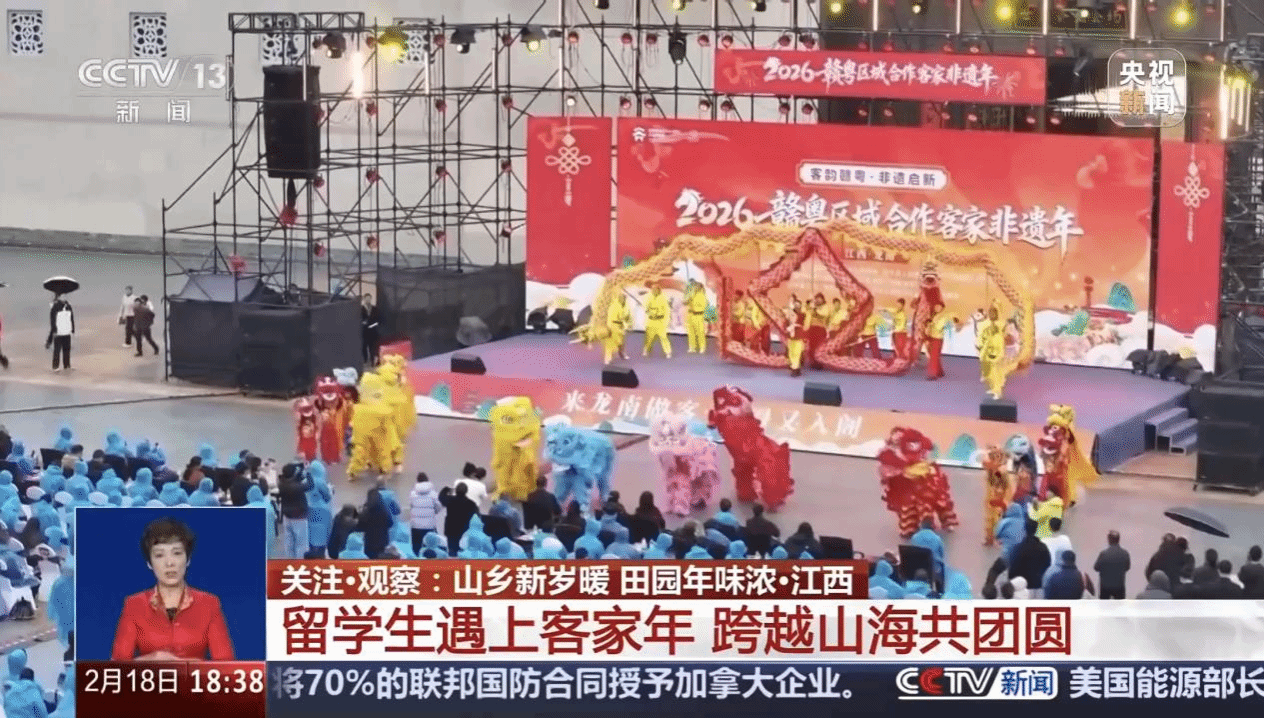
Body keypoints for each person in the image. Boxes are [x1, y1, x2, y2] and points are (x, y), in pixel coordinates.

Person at [111, 517, 234, 660]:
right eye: (159, 555)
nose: (169, 563)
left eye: (177, 553)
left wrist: (183, 664)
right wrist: (152, 659)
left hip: (195, 676)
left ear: (188, 559)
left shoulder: (209, 603)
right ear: (149, 563)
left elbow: (226, 665)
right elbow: (117, 665)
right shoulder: (134, 605)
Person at [277, 464, 314, 559]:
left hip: (287, 516)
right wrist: (308, 473)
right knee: (301, 543)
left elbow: (294, 479)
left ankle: (289, 561)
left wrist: (299, 473)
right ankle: (299, 562)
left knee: (289, 542)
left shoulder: (281, 482)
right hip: (299, 517)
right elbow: (310, 485)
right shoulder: (295, 487)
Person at [438, 482, 479, 554]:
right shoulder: (471, 503)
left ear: (456, 491)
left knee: (452, 550)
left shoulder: (450, 500)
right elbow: (477, 516)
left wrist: (446, 489)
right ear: (466, 491)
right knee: (463, 550)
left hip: (451, 529)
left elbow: (441, 497)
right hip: (464, 530)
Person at [409, 473, 442, 554]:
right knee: (430, 548)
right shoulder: (433, 494)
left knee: (416, 548)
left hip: (416, 525)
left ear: (417, 481)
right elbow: (438, 506)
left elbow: (411, 506)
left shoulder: (413, 494)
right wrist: (433, 512)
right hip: (429, 525)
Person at [1093, 530, 1131, 599]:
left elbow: (1096, 568)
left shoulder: (1103, 554)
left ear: (1109, 539)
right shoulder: (1125, 553)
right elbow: (1127, 568)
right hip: (1119, 587)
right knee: (1119, 605)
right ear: (1118, 539)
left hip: (1105, 588)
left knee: (1104, 605)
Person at [642, 282, 672, 358]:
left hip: (660, 321)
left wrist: (666, 321)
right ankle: (646, 350)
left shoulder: (664, 298)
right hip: (651, 321)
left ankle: (668, 352)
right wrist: (648, 311)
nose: (654, 290)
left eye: (655, 289)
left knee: (663, 337)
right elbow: (645, 307)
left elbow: (667, 311)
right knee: (649, 338)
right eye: (652, 289)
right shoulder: (648, 297)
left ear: (659, 290)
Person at [46, 294, 74, 372]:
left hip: (67, 331)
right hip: (58, 333)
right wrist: (52, 334)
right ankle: (55, 367)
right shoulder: (55, 307)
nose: (64, 297)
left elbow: (71, 319)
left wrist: (72, 330)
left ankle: (67, 366)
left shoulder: (68, 306)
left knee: (66, 350)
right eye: (62, 296)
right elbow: (52, 322)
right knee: (57, 351)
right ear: (58, 297)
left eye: (65, 295)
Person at [924, 303, 953, 379]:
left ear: (942, 308)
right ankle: (939, 372)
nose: (936, 308)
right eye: (936, 306)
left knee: (933, 356)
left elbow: (938, 327)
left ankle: (932, 374)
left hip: (937, 338)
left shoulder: (944, 317)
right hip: (931, 337)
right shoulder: (934, 315)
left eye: (938, 307)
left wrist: (931, 324)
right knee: (935, 355)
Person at [603, 291, 631, 363]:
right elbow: (609, 318)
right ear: (618, 297)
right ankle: (607, 358)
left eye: (624, 297)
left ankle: (622, 354)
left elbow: (628, 316)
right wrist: (608, 327)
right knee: (610, 342)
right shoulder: (614, 306)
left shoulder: (627, 306)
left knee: (621, 342)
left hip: (621, 326)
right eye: (621, 297)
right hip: (613, 325)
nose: (623, 298)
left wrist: (629, 324)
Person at [684, 280, 709, 354]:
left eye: (697, 286)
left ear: (700, 287)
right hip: (691, 315)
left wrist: (695, 308)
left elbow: (703, 307)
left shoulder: (702, 296)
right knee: (691, 332)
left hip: (699, 315)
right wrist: (688, 300)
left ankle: (702, 347)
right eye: (695, 286)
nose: (695, 287)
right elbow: (685, 302)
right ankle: (692, 347)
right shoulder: (692, 295)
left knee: (700, 332)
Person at [784, 299, 806, 377]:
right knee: (791, 353)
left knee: (797, 353)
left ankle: (795, 369)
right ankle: (795, 367)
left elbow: (803, 324)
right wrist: (787, 328)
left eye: (798, 305)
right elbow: (786, 323)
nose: (797, 306)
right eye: (795, 305)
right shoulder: (790, 314)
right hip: (790, 335)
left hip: (798, 335)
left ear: (800, 306)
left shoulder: (803, 315)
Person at [360, 294, 380, 366]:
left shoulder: (374, 308)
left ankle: (372, 361)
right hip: (364, 331)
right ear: (364, 299)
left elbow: (378, 319)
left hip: (373, 331)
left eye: (369, 298)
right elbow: (358, 318)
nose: (368, 300)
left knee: (372, 346)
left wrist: (374, 324)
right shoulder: (360, 308)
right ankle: (365, 360)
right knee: (364, 346)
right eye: (366, 298)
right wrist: (363, 322)